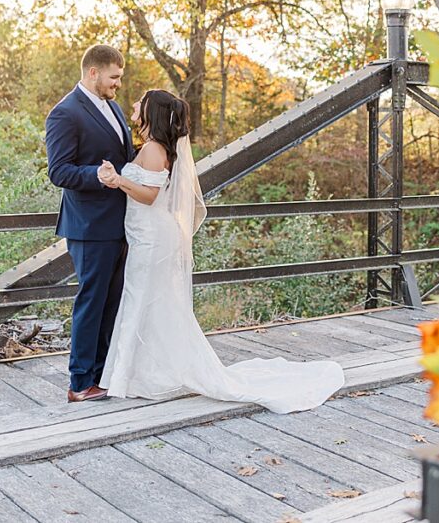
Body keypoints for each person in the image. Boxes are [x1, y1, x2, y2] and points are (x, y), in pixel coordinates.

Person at [96, 89, 345, 413]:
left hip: (154, 238)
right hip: (148, 236)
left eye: (139, 102)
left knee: (147, 300)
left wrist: (118, 181)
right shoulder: (153, 147)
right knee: (148, 302)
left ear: (151, 112)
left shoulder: (156, 149)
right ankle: (147, 375)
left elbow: (150, 196)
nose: (134, 105)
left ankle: (150, 376)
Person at [45, 44, 134, 402]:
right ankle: (80, 383)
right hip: (89, 226)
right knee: (91, 301)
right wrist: (97, 175)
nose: (118, 84)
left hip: (120, 223)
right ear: (93, 72)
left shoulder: (113, 107)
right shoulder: (64, 113)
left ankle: (102, 374)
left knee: (111, 303)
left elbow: (121, 157)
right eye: (114, 77)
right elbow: (59, 171)